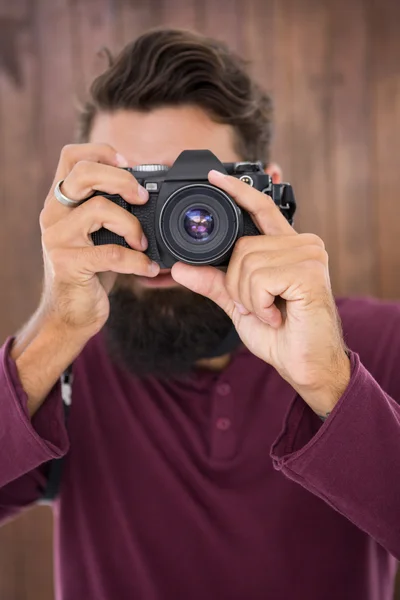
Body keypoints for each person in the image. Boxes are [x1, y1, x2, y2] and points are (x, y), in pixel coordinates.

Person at [1, 28, 399, 600]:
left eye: (192, 192)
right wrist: (54, 332)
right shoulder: (66, 368)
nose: (171, 225)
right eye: (135, 192)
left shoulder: (378, 345)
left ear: (267, 192)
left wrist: (330, 382)